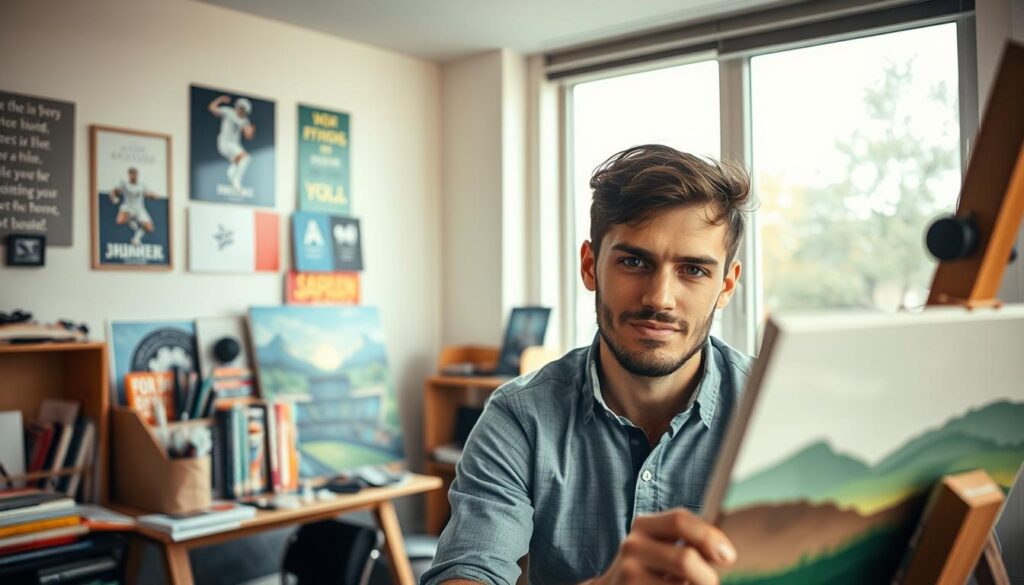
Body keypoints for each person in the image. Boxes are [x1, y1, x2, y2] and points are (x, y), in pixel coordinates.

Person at [421, 145, 755, 585]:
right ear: (590, 265)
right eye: (634, 262)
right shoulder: (520, 416)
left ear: (726, 285)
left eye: (693, 270)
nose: (659, 298)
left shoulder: (771, 408)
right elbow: (466, 574)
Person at [208, 94, 255, 193]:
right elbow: (212, 108)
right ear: (238, 107)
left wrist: (250, 131)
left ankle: (231, 171)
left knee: (244, 160)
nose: (242, 112)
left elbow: (248, 135)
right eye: (241, 109)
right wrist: (220, 99)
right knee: (245, 157)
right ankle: (236, 180)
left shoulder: (245, 120)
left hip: (235, 144)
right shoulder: (228, 112)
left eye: (244, 111)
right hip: (225, 142)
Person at [110, 167, 158, 246]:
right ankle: (131, 220)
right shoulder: (124, 183)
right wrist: (114, 198)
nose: (134, 176)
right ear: (129, 175)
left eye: (135, 174)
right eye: (132, 174)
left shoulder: (142, 185)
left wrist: (153, 196)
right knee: (119, 221)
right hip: (128, 207)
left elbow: (148, 193)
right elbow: (113, 192)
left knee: (150, 228)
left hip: (139, 209)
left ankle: (136, 238)